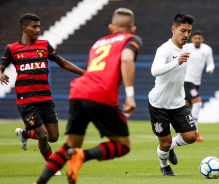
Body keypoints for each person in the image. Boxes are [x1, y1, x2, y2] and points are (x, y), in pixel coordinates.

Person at [35, 7, 142, 184]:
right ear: (133, 29)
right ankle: (82, 156)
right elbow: (126, 59)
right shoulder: (131, 39)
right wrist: (130, 95)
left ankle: (38, 182)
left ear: (110, 27)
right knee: (123, 145)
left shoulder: (98, 43)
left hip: (78, 91)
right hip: (100, 94)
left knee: (69, 145)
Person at [0, 13, 84, 175]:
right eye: (34, 26)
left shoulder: (44, 45)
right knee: (42, 136)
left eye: (39, 26)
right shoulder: (12, 48)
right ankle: (51, 165)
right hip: (26, 100)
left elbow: (62, 62)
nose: (38, 29)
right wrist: (1, 76)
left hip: (45, 98)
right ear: (24, 28)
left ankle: (24, 133)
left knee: (53, 137)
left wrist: (85, 73)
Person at [148, 13, 197, 176]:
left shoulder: (187, 49)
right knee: (165, 142)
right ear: (173, 29)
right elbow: (154, 71)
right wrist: (176, 62)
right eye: (183, 31)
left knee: (191, 136)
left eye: (189, 31)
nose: (186, 35)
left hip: (177, 102)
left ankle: (171, 149)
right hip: (159, 104)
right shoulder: (164, 49)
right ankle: (164, 166)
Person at [184, 30, 215, 141]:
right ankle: (195, 131)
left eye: (199, 38)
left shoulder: (207, 49)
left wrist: (210, 68)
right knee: (197, 102)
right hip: (186, 80)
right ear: (192, 39)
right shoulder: (187, 47)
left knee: (186, 107)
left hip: (196, 82)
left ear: (202, 39)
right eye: (195, 38)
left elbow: (210, 63)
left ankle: (175, 127)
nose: (197, 40)